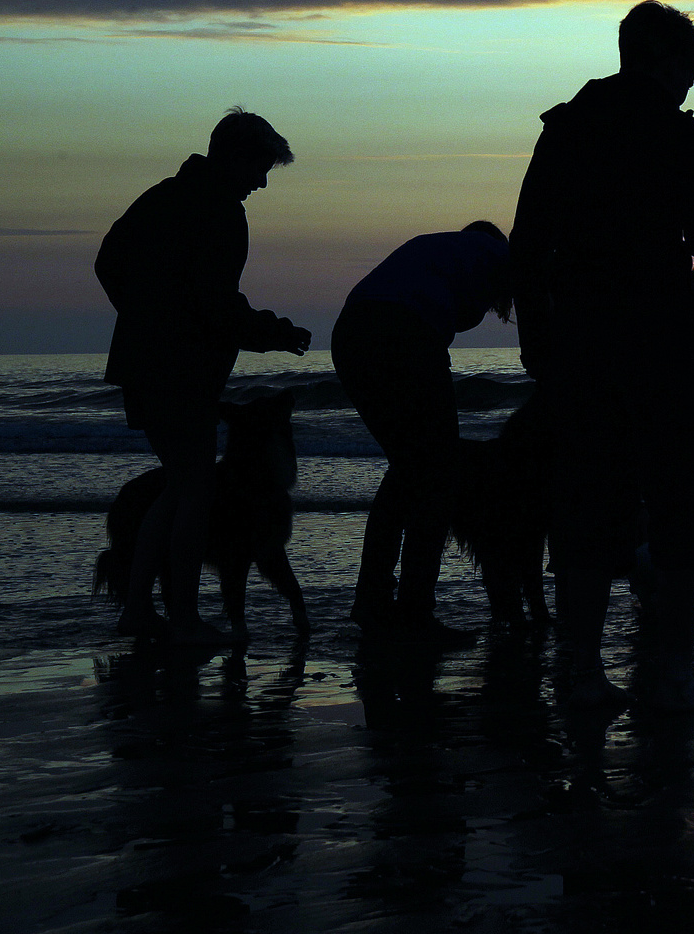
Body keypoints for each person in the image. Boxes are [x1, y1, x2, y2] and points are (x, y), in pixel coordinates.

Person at [511, 0, 694, 712]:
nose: (687, 88)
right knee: (686, 495)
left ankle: (581, 673)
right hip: (659, 337)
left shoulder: (564, 127)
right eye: (687, 74)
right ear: (668, 64)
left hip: (579, 339)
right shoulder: (673, 129)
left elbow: (526, 244)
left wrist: (537, 341)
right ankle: (671, 673)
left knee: (587, 501)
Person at [95, 107, 311, 644]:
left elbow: (109, 264)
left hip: (150, 365)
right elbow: (217, 305)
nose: (262, 182)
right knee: (194, 491)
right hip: (178, 370)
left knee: (180, 487)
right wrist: (275, 332)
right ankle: (183, 618)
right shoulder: (215, 210)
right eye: (260, 167)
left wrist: (147, 317)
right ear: (232, 156)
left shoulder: (162, 197)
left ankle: (140, 610)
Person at [331, 221, 512, 647]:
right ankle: (414, 611)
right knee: (439, 474)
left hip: (351, 335)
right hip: (403, 333)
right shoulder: (493, 253)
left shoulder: (439, 253)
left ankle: (372, 601)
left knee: (409, 470)